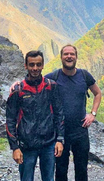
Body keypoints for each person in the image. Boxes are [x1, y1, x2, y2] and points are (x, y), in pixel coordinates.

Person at [10, 44, 102, 181]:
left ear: (76, 57)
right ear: (61, 57)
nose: (69, 56)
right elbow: (35, 78)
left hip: (80, 131)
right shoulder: (54, 77)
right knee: (60, 169)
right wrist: (18, 84)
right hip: (60, 133)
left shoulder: (84, 75)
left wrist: (92, 114)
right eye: (66, 54)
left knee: (82, 169)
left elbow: (98, 93)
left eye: (72, 54)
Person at [6, 50, 65, 181]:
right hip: (26, 146)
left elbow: (59, 114)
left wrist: (60, 140)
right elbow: (10, 119)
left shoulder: (51, 86)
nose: (35, 68)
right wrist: (15, 147)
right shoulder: (18, 90)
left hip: (49, 144)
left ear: (43, 65)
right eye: (32, 65)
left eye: (38, 65)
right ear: (25, 66)